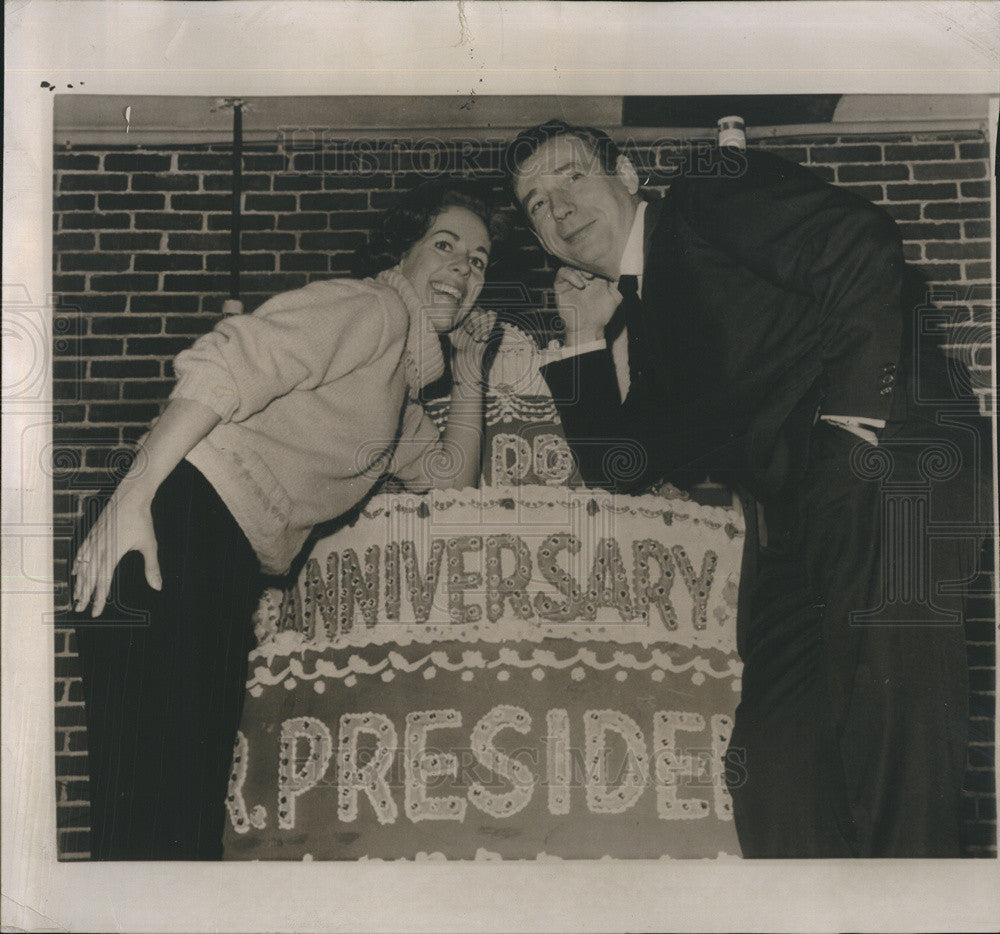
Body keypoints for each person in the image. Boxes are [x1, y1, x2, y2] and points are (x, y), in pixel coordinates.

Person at [505, 120, 989, 857]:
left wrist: (853, 423)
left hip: (892, 464)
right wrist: (582, 335)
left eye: (571, 177)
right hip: (800, 528)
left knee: (897, 751)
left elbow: (857, 240)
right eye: (536, 204)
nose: (559, 209)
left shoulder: (704, 194)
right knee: (773, 772)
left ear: (628, 174)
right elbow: (622, 464)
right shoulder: (648, 319)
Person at [70, 178, 504, 860]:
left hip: (214, 556)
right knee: (156, 818)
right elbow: (231, 358)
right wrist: (135, 493)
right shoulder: (373, 310)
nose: (463, 268)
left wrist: (474, 374)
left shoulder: (397, 396)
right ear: (404, 252)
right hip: (171, 523)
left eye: (479, 260)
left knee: (177, 820)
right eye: (444, 245)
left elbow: (454, 481)